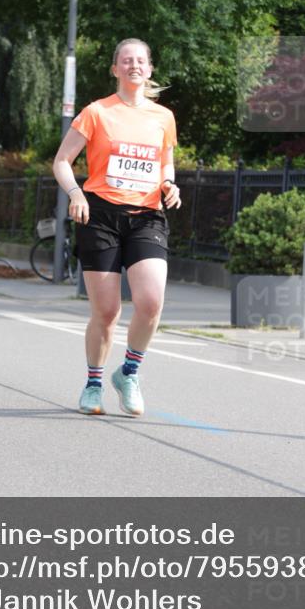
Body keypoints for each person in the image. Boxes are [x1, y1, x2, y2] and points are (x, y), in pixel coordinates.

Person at [53, 38, 181, 417]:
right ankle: (94, 383)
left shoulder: (163, 117)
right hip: (101, 215)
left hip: (146, 216)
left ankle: (128, 372)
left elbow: (165, 163)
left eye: (141, 60)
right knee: (107, 311)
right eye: (126, 61)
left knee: (151, 301)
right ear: (115, 69)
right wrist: (76, 193)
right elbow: (62, 161)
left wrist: (170, 184)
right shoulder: (96, 113)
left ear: (150, 69)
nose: (134, 66)